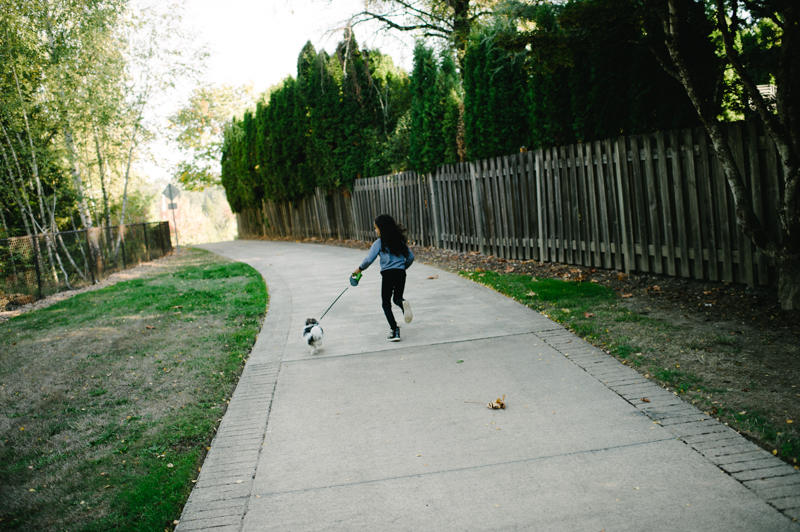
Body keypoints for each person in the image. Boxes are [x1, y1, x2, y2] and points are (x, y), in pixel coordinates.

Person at [353, 214, 414, 341]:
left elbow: (369, 259)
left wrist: (359, 269)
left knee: (386, 303)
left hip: (388, 274)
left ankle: (395, 330)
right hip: (401, 273)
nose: (375, 231)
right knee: (397, 298)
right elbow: (411, 257)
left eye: (376, 228)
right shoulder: (399, 241)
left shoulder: (379, 243)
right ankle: (403, 304)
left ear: (382, 228)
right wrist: (402, 267)